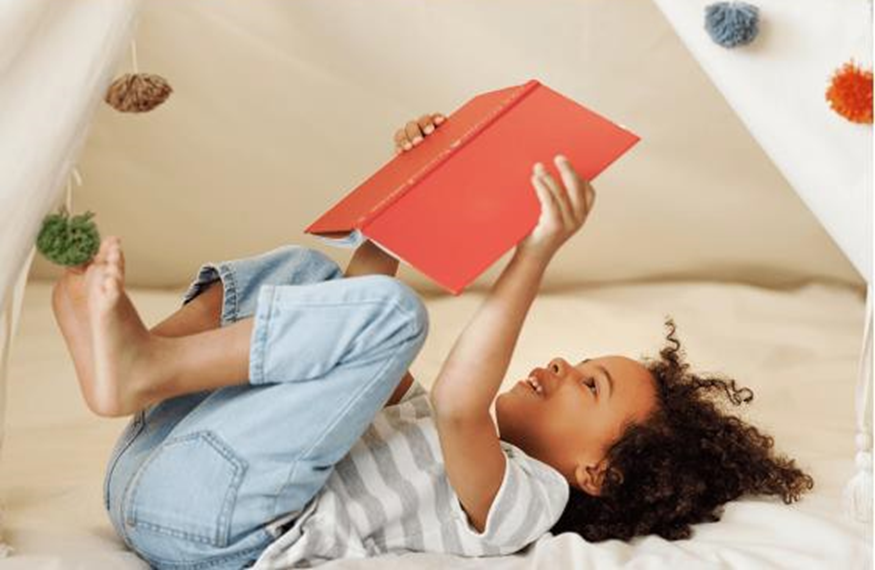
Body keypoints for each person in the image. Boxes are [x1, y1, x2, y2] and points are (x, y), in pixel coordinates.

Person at [51, 113, 813, 569]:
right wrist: (419, 178)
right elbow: (346, 308)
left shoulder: (523, 501)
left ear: (596, 473)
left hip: (212, 527)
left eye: (588, 384)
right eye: (582, 363)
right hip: (158, 469)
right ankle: (141, 361)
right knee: (312, 277)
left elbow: (458, 399)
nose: (558, 363)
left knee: (392, 316)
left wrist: (537, 249)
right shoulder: (410, 421)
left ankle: (142, 368)